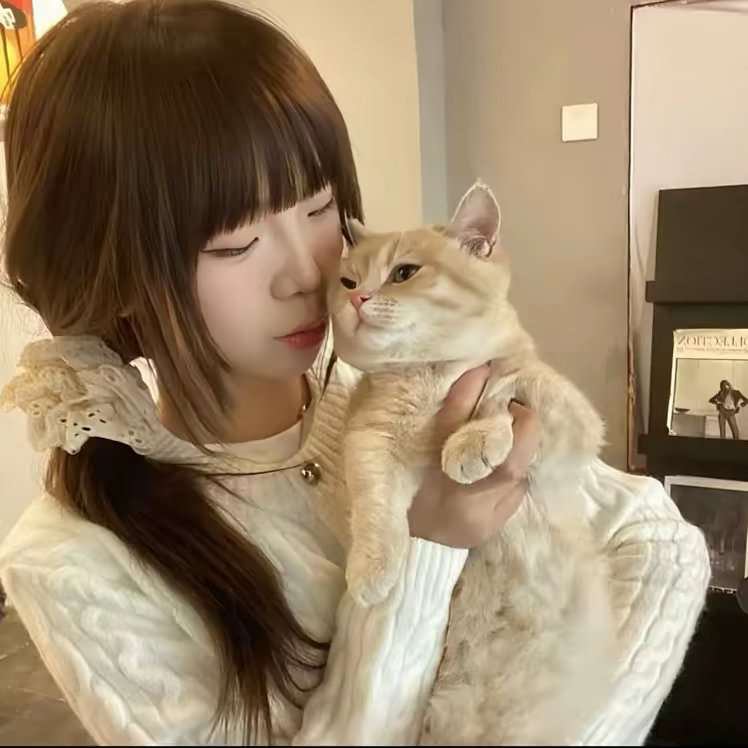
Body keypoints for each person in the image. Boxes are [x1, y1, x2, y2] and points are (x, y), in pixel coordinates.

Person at [0, 1, 709, 745]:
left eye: (319, 208)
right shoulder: (72, 565)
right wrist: (427, 548)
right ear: (111, 273)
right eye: (235, 244)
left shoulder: (399, 398)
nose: (308, 273)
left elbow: (659, 541)